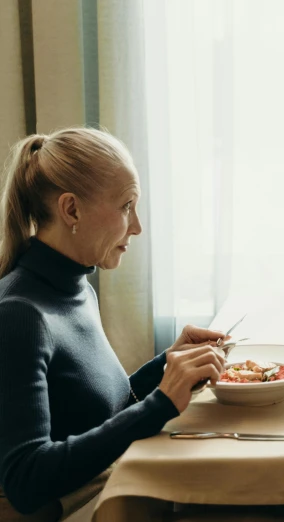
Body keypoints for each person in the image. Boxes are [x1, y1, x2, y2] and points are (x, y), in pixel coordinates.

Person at [0, 128, 228, 519]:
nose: (136, 226)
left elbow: (100, 412)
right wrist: (161, 403)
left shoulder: (78, 289)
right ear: (71, 210)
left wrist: (167, 365)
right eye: (126, 206)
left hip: (108, 485)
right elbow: (26, 481)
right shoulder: (19, 313)